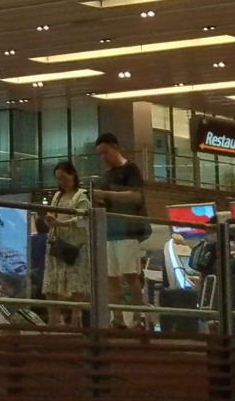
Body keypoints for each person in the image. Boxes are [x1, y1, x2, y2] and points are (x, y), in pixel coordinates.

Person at [93, 133, 149, 327]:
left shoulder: (131, 169)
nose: (104, 158)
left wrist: (107, 195)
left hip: (127, 230)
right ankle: (117, 318)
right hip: (110, 231)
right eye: (100, 155)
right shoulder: (106, 176)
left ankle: (138, 316)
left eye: (105, 152)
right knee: (111, 277)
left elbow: (135, 196)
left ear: (115, 147)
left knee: (130, 274)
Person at [41, 160, 91, 325]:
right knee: (51, 285)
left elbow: (84, 219)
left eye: (64, 178)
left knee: (75, 285)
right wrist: (51, 220)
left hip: (73, 246)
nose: (62, 182)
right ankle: (53, 320)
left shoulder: (81, 196)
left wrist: (63, 222)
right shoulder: (57, 196)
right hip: (56, 243)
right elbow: (52, 214)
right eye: (59, 179)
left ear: (73, 175)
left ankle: (76, 320)